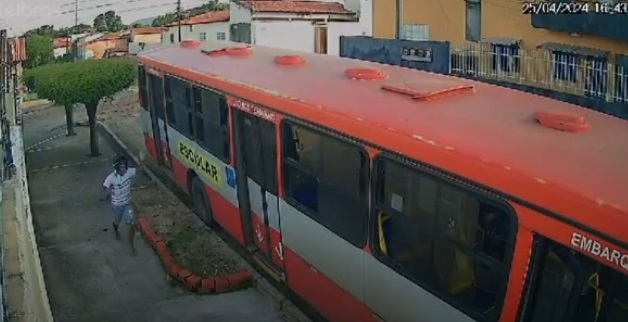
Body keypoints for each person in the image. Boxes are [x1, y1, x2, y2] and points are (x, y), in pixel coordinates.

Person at [102, 151, 144, 255]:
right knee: (116, 221)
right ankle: (116, 230)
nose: (124, 169)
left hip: (127, 203)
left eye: (125, 166)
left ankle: (132, 246)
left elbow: (140, 170)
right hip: (117, 205)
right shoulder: (110, 178)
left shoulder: (129, 172)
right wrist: (107, 193)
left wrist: (141, 160)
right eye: (121, 167)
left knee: (130, 224)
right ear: (116, 167)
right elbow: (105, 188)